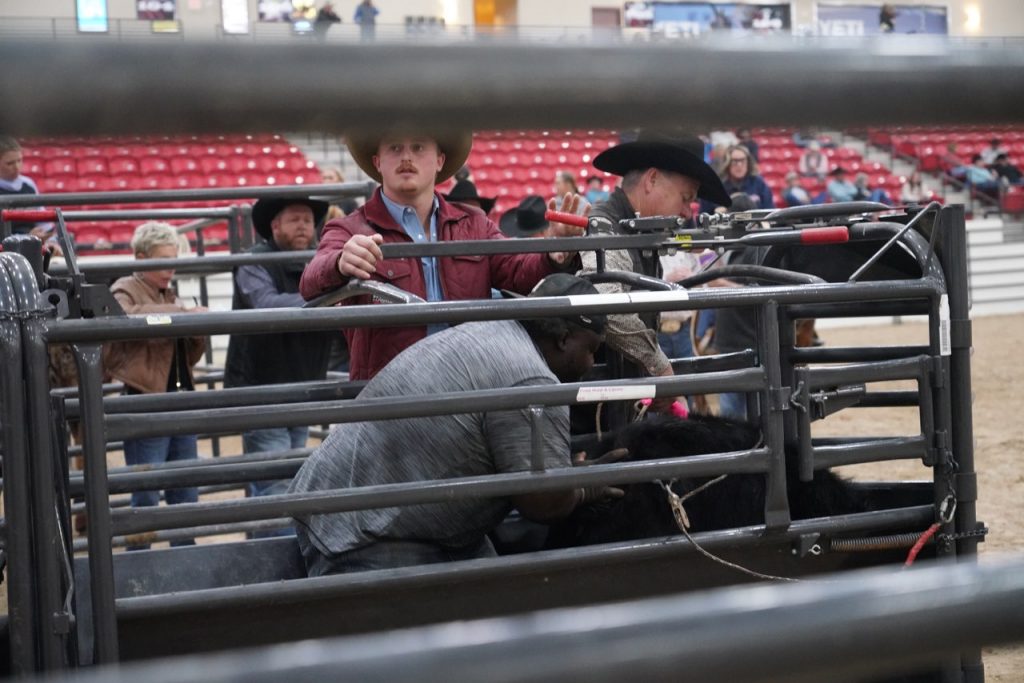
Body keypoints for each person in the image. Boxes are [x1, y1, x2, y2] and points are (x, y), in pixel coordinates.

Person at [290, 273, 621, 576]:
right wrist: (585, 488)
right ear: (564, 339)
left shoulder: (493, 330)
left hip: (346, 507)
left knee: (501, 601)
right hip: (367, 534)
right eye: (591, 350)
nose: (592, 364)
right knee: (461, 631)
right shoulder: (532, 378)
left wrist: (568, 476)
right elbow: (542, 502)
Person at [299, 129, 585, 380]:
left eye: (419, 147)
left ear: (439, 160)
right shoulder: (348, 229)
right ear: (378, 162)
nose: (406, 157)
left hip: (469, 385)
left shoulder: (475, 223)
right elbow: (311, 281)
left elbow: (517, 269)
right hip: (390, 397)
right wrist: (339, 263)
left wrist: (555, 253)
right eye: (395, 148)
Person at [582, 130, 730, 413]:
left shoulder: (643, 231)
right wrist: (658, 366)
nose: (688, 211)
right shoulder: (604, 224)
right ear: (651, 180)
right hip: (598, 405)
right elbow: (609, 306)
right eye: (686, 197)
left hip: (617, 398)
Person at [225, 198, 336, 506]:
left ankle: (269, 545)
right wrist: (328, 298)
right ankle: (274, 548)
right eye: (294, 220)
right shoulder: (254, 260)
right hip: (263, 391)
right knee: (276, 485)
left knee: (291, 477)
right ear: (274, 226)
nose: (303, 226)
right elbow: (266, 305)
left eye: (307, 220)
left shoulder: (316, 262)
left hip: (301, 388)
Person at [102, 222, 207, 548]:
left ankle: (183, 557)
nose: (169, 269)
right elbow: (126, 317)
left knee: (184, 488)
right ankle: (140, 560)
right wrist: (184, 314)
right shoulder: (125, 288)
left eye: (173, 261)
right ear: (141, 257)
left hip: (174, 396)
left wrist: (195, 327)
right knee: (146, 490)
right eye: (161, 261)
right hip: (145, 400)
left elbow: (187, 351)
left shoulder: (164, 292)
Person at [699, 143, 773, 214]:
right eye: (735, 161)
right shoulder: (715, 185)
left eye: (742, 160)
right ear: (727, 163)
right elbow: (703, 217)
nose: (739, 165)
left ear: (748, 162)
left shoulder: (758, 183)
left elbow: (769, 211)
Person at [0, 136, 45, 237]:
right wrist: (26, 238)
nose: (16, 167)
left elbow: (44, 222)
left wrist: (51, 241)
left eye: (19, 160)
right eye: (10, 163)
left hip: (33, 243)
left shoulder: (28, 184)